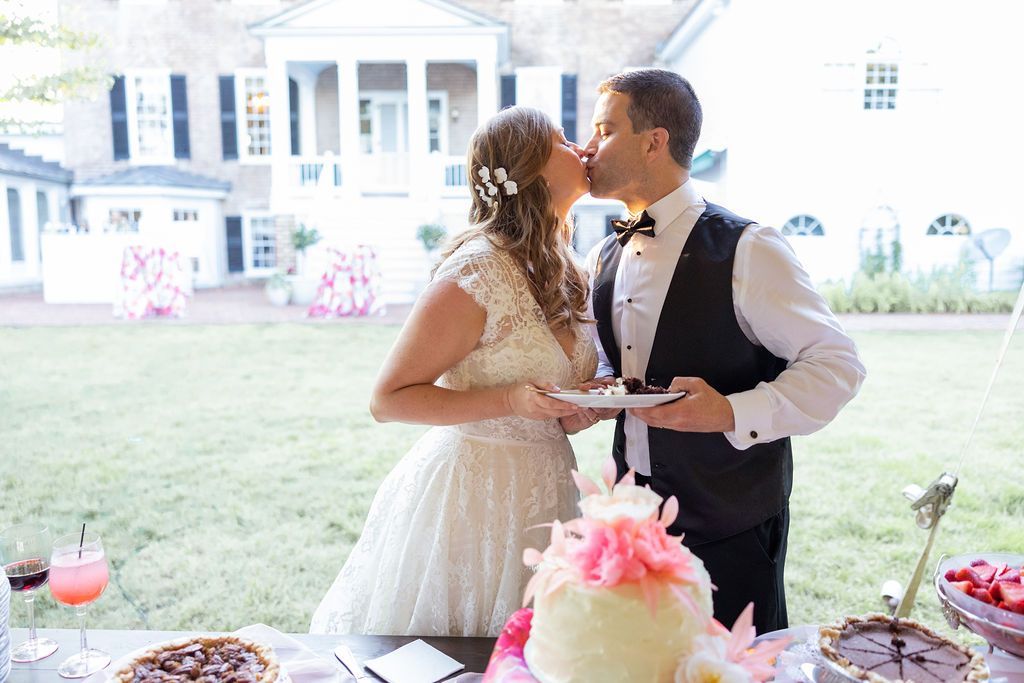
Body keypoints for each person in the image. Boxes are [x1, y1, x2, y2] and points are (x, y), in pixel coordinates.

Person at [581, 68, 867, 634]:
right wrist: (598, 393)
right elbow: (623, 367)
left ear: (654, 141)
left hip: (729, 527)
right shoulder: (603, 256)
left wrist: (731, 412)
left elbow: (838, 365)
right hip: (631, 524)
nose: (587, 148)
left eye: (603, 130)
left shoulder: (748, 249)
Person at [311, 106, 605, 637]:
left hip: (549, 489)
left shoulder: (567, 266)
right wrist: (511, 401)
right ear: (530, 167)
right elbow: (389, 398)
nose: (582, 147)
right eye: (564, 141)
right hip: (474, 501)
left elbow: (542, 392)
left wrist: (574, 408)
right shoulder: (477, 269)